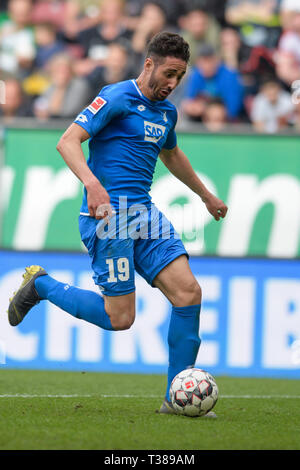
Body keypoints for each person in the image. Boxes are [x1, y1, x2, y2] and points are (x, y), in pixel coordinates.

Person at [7, 32, 228, 416]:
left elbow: (172, 156)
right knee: (120, 318)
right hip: (108, 220)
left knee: (189, 294)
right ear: (149, 64)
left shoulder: (166, 112)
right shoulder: (116, 97)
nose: (173, 83)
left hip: (145, 215)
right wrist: (92, 184)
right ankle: (41, 285)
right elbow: (68, 141)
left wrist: (205, 195)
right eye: (169, 73)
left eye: (180, 76)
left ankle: (174, 400)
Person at [181, 43, 244, 121]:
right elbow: (189, 102)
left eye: (209, 61)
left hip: (227, 123)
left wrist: (208, 109)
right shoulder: (196, 75)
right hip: (201, 121)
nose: (206, 66)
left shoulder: (229, 76)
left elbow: (233, 109)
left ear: (216, 60)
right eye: (203, 62)